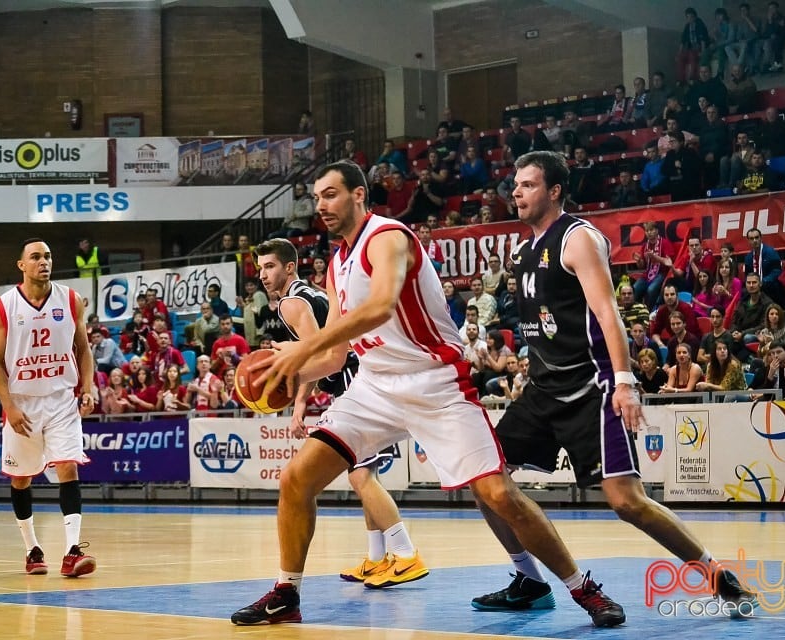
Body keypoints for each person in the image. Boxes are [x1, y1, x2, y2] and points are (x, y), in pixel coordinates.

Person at [231, 160, 627, 628]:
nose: (322, 205)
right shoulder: (337, 263)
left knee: (499, 494)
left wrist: (302, 348)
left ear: (359, 195)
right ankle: (286, 593)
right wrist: (288, 370)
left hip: (436, 380)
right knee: (296, 479)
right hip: (375, 384)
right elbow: (336, 357)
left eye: (332, 194)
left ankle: (581, 586)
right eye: (317, 197)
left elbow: (380, 307)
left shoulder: (388, 237)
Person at [467, 151, 754, 620]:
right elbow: (545, 326)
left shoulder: (578, 238)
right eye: (514, 185)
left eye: (528, 185)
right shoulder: (522, 252)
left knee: (627, 503)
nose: (516, 193)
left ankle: (716, 574)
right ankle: (530, 580)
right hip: (541, 390)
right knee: (485, 483)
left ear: (554, 191)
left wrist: (624, 384)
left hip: (591, 388)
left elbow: (608, 314)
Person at [254, 237, 426, 589]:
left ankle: (405, 553)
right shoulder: (312, 293)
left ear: (289, 267)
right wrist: (301, 399)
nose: (263, 275)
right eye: (259, 269)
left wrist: (289, 376)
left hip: (354, 379)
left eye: (269, 266)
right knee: (364, 475)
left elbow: (321, 351)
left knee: (360, 477)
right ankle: (378, 558)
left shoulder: (290, 303)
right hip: (359, 373)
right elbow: (321, 350)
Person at [0, 239, 97, 578]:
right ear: (21, 265)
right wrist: (8, 404)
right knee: (21, 479)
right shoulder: (4, 306)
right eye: (35, 257)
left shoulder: (70, 299)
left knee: (68, 467)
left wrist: (89, 388)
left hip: (62, 398)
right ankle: (32, 548)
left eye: (48, 256)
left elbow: (83, 349)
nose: (43, 261)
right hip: (22, 403)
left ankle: (72, 551)